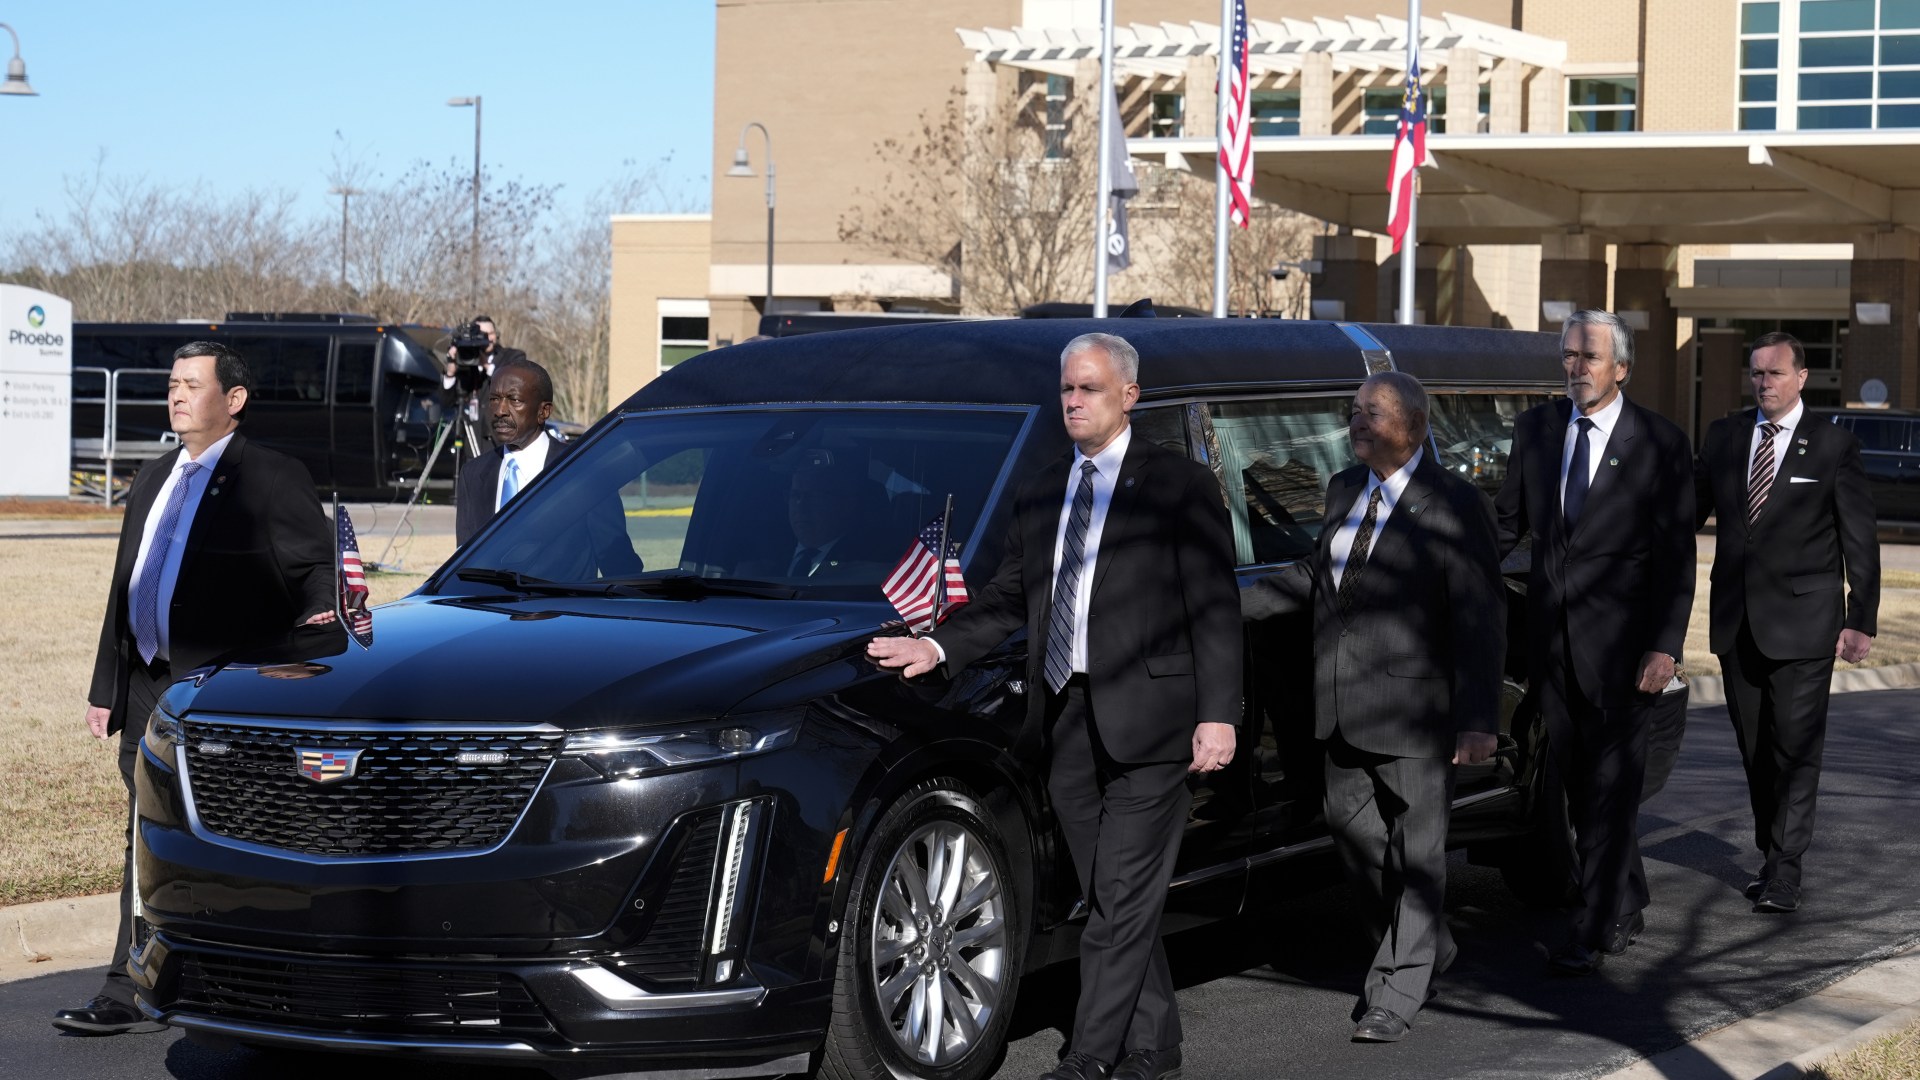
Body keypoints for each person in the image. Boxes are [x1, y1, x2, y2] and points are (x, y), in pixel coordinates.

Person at [868, 332, 1240, 1080]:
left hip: (1154, 724)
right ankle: (1154, 1048)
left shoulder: (1178, 485)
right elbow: (1011, 596)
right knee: (1114, 896)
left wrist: (1218, 713)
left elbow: (1214, 607)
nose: (1073, 401)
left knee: (1122, 898)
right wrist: (938, 646)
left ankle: (1092, 1056)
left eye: (1089, 389)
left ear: (1128, 396)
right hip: (1067, 722)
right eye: (1066, 389)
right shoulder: (1044, 488)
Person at [56, 342, 338, 1035]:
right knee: (146, 834)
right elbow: (127, 587)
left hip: (226, 698)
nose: (177, 395)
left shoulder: (270, 476)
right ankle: (127, 986)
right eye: (172, 384)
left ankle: (259, 985)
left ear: (233, 400)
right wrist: (107, 688)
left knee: (239, 842)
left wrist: (300, 662)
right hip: (152, 689)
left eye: (192, 384)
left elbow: (317, 580)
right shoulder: (153, 477)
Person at [1242, 371, 1504, 1042]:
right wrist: (1228, 605)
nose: (1356, 423)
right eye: (1353, 412)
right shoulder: (1341, 491)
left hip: (1417, 711)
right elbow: (1314, 575)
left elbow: (1480, 614)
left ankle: (1396, 990)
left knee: (1419, 855)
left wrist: (1478, 719)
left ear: (1411, 426)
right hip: (1342, 709)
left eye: (1371, 414)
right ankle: (1429, 943)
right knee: (1353, 833)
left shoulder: (1454, 502)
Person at [1494, 309, 1696, 977]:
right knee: (1580, 790)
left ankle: (1594, 923)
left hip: (1626, 651)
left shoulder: (1660, 443)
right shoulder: (1537, 429)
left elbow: (1676, 557)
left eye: (1588, 356)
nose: (1575, 367)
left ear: (1622, 369)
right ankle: (1626, 893)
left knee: (1612, 787)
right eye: (1568, 354)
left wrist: (1665, 646)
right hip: (1553, 648)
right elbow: (1506, 531)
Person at [1694, 331, 1879, 914]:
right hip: (1735, 623)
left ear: (1802, 377)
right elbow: (1683, 514)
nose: (1763, 383)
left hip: (1805, 624)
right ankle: (1770, 855)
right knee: (1756, 751)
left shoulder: (1832, 446)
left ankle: (1786, 870)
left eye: (1774, 373)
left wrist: (1861, 618)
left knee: (1795, 749)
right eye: (1755, 373)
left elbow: (1861, 540)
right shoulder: (1724, 437)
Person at [455, 358, 563, 545]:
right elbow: (464, 557)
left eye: (514, 400)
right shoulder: (472, 474)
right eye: (494, 399)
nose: (500, 411)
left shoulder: (577, 468)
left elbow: (613, 552)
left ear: (544, 411)